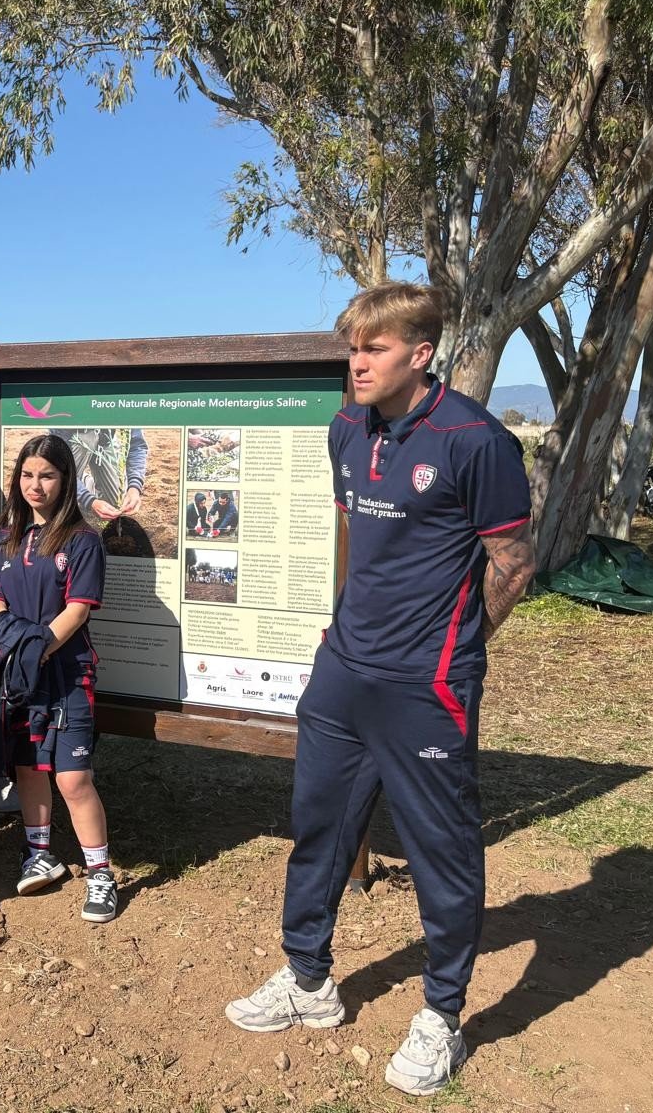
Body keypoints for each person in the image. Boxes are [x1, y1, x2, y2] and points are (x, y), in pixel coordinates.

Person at [224, 283, 535, 1098]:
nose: (356, 363)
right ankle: (308, 979)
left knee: (442, 849)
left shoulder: (475, 440)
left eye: (374, 348)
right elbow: (369, 544)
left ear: (420, 353)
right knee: (317, 825)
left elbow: (514, 563)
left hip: (425, 685)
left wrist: (455, 651)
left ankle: (441, 1015)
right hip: (344, 671)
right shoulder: (344, 429)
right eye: (351, 348)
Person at [0, 433, 115, 916]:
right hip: (18, 676)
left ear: (65, 480)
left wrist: (36, 648)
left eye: (47, 475)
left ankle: (100, 873)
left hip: (67, 673)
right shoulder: (6, 535)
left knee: (73, 777)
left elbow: (77, 609)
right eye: (27, 474)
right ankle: (39, 854)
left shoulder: (82, 540)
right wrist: (13, 640)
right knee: (29, 768)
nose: (35, 485)